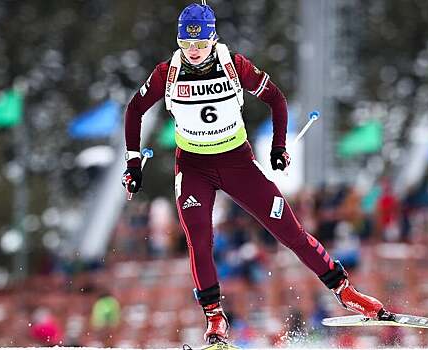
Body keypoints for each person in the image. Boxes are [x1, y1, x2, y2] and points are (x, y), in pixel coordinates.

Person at [122, 2, 392, 345]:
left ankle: (346, 291)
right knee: (199, 240)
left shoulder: (234, 65)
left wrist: (278, 147)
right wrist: (133, 164)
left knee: (289, 231)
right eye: (186, 45)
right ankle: (215, 318)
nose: (193, 53)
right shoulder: (167, 73)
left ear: (212, 39)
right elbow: (134, 110)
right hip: (193, 167)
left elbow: (277, 100)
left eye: (200, 45)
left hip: (237, 163)